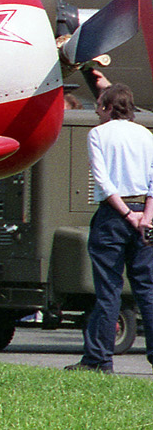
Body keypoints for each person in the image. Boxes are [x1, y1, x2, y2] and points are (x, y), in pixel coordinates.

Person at [73, 81, 153, 372]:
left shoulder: (98, 134)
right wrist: (145, 216)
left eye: (99, 105)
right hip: (144, 213)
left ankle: (99, 359)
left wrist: (125, 214)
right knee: (147, 288)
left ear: (108, 107)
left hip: (113, 215)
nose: (96, 111)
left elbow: (103, 182)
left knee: (109, 289)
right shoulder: (146, 135)